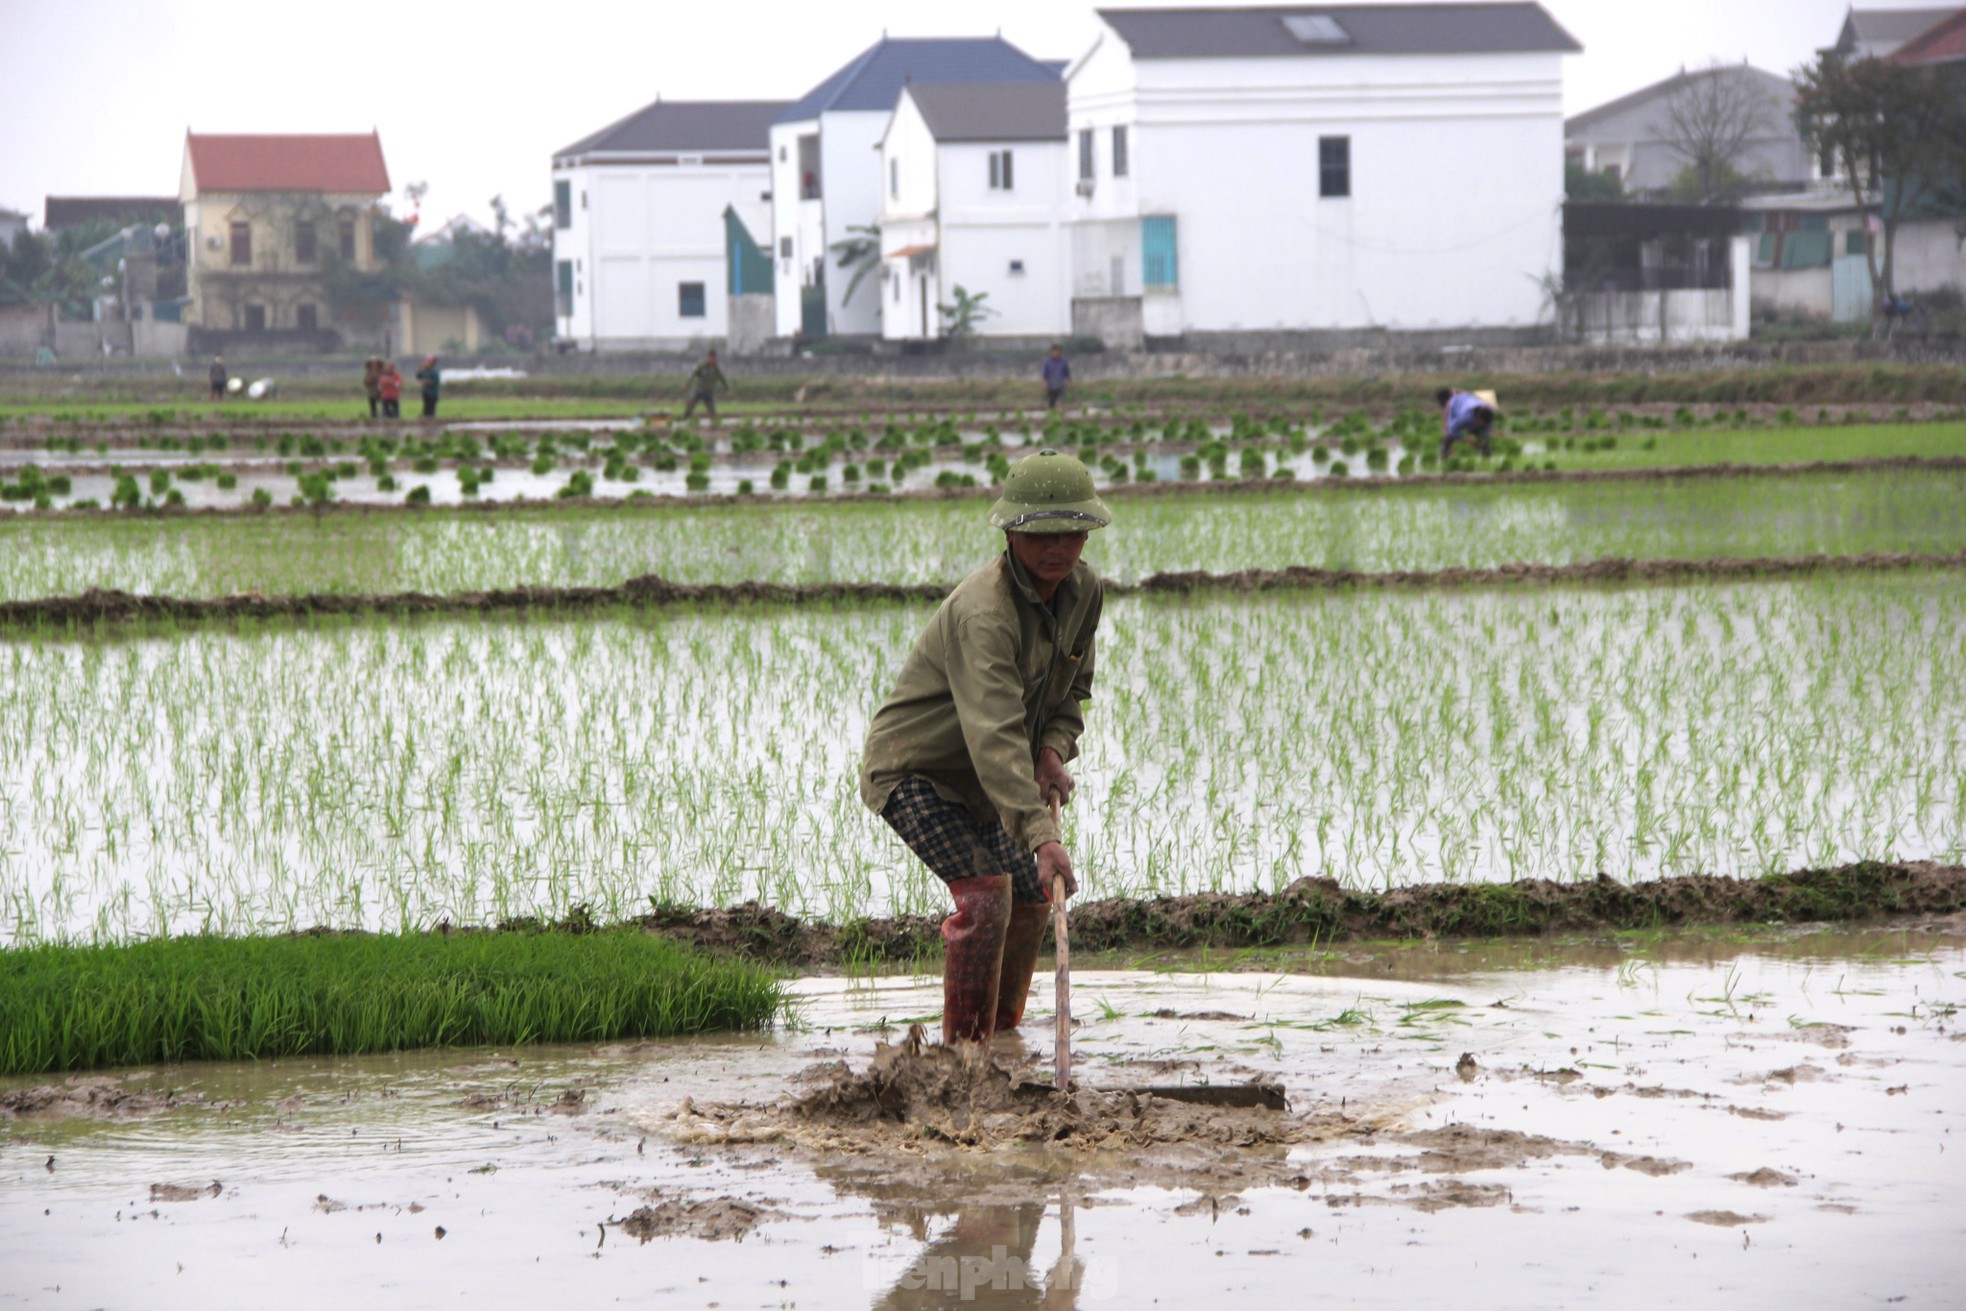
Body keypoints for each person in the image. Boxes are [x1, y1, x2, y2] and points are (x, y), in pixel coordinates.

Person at [860, 449, 1111, 1045]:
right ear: (1010, 533)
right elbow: (996, 736)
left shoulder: (1083, 594)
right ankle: (965, 1054)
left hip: (986, 778)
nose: (1057, 547)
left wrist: (1052, 747)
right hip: (918, 771)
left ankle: (1001, 1037)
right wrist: (1044, 837)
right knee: (988, 896)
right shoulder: (985, 615)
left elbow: (1072, 689)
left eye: (1070, 532)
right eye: (1041, 534)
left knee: (1027, 892)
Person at [1437, 386, 1495, 462]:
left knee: (1484, 440)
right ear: (1478, 418)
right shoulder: (1465, 416)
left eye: (1485, 424)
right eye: (1482, 423)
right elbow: (1452, 429)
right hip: (1455, 405)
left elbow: (1486, 431)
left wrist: (1482, 441)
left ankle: (1486, 457)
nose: (1483, 425)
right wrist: (1467, 440)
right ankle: (1444, 453)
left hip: (1468, 401)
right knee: (1449, 434)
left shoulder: (1489, 414)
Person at [682, 349, 730, 425]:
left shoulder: (716, 369)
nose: (712, 360)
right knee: (689, 406)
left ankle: (714, 425)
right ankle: (683, 421)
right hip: (698, 390)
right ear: (708, 358)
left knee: (712, 410)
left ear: (715, 359)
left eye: (713, 358)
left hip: (708, 392)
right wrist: (687, 383)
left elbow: (722, 379)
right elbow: (693, 374)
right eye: (710, 358)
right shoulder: (702, 367)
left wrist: (727, 389)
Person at [1041, 344, 1071, 411]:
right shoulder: (1047, 362)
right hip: (1051, 386)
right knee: (1052, 405)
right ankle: (1052, 418)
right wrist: (1044, 384)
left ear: (1060, 352)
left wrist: (1070, 383)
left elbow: (1067, 374)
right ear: (1051, 352)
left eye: (1058, 351)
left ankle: (1062, 417)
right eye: (1054, 352)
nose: (1056, 353)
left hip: (1061, 386)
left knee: (1061, 401)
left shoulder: (1064, 362)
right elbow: (1045, 375)